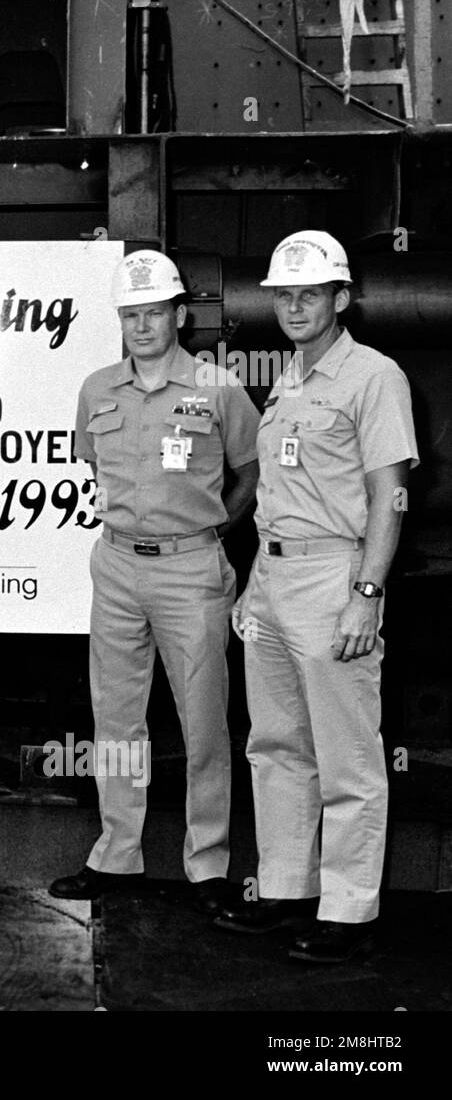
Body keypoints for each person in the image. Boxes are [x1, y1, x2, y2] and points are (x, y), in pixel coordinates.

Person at [216, 231, 418, 963]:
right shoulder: (292, 377)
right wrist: (255, 588)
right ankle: (287, 889)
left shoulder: (374, 376)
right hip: (274, 582)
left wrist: (367, 592)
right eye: (284, 295)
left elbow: (390, 495)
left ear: (341, 298)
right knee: (274, 748)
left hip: (336, 580)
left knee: (347, 757)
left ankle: (349, 911)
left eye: (310, 293)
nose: (295, 306)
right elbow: (278, 493)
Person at [49, 250, 260, 913]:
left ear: (179, 314)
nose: (142, 326)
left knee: (203, 724)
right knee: (115, 720)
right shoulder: (97, 388)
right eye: (130, 315)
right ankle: (117, 855)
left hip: (190, 568)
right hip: (114, 564)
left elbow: (251, 474)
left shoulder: (218, 387)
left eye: (154, 313)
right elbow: (93, 466)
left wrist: (207, 532)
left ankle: (208, 865)